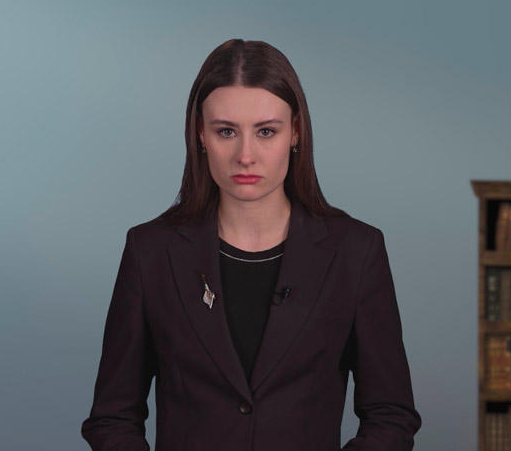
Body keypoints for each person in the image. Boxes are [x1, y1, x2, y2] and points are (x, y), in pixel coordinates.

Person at [81, 39, 422, 450]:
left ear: (295, 132)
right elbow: (112, 418)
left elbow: (391, 416)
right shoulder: (149, 251)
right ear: (200, 134)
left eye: (266, 131)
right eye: (226, 131)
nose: (246, 155)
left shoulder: (356, 251)